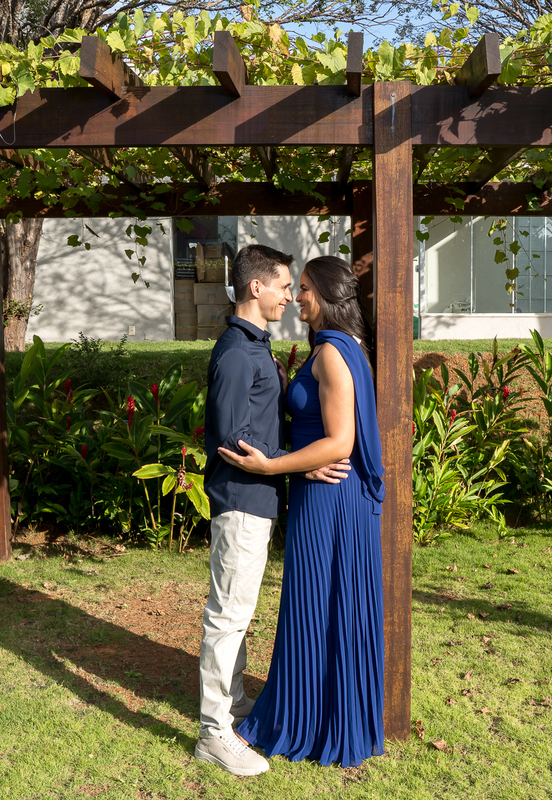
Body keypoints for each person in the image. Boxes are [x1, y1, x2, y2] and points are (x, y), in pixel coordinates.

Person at [219, 255, 386, 769]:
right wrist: (297, 465)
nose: (298, 298)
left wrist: (274, 467)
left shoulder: (333, 354)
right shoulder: (348, 347)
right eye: (295, 288)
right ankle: (330, 715)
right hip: (334, 491)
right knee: (333, 605)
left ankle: (304, 721)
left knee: (316, 603)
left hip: (331, 498)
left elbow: (339, 441)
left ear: (330, 296)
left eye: (306, 289)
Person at [195, 244, 350, 777]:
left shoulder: (256, 347)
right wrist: (293, 464)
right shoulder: (238, 354)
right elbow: (232, 440)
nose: (290, 295)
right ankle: (214, 733)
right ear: (255, 287)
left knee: (238, 614)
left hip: (259, 499)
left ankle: (233, 706)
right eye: (285, 285)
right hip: (241, 500)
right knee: (228, 616)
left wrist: (291, 464)